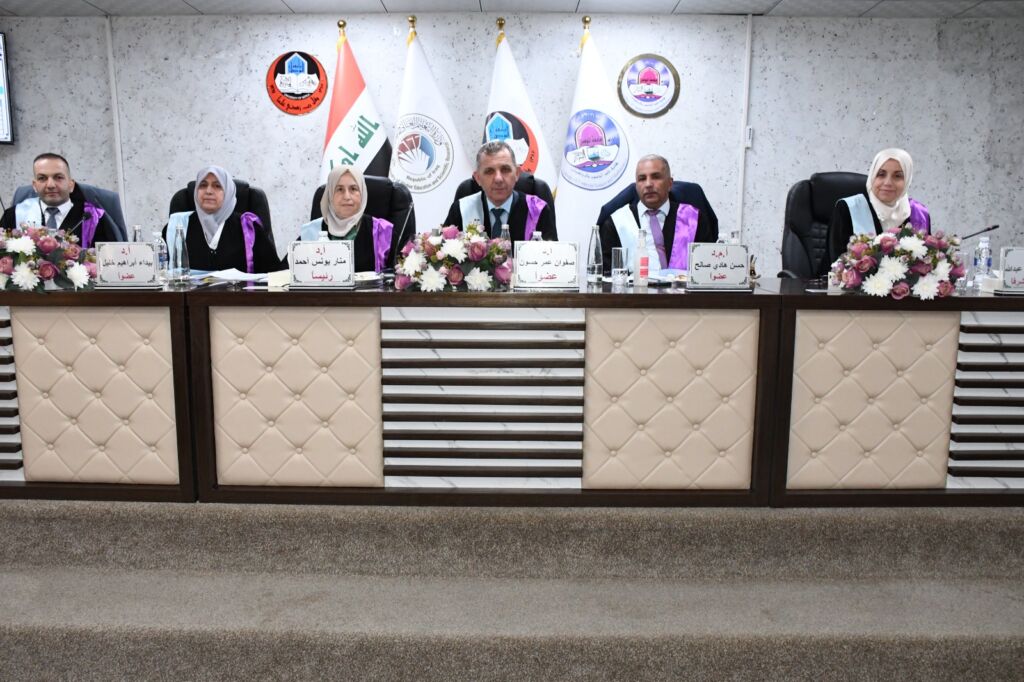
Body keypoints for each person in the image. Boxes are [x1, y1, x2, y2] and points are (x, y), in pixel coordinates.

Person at [598, 154, 718, 273]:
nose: (648, 184)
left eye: (656, 177)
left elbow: (707, 271)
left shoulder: (693, 219)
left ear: (670, 184)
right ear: (636, 186)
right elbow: (606, 277)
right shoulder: (615, 224)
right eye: (642, 179)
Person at [164, 165, 281, 274]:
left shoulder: (249, 228)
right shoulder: (175, 227)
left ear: (228, 192)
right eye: (203, 185)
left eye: (217, 186)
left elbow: (273, 274)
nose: (208, 191)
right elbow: (160, 274)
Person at [827, 148, 931, 264]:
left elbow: (927, 261)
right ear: (872, 175)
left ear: (907, 180)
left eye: (897, 176)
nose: (887, 183)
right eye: (881, 174)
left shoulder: (919, 213)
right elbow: (836, 263)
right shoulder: (848, 209)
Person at [443, 141, 556, 241]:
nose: (498, 179)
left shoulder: (537, 210)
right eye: (489, 171)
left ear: (517, 173)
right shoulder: (461, 210)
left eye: (505, 169)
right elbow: (443, 254)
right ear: (478, 178)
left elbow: (552, 255)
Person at [1, 153, 120, 247]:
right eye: (42, 178)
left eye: (58, 177)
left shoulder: (92, 218)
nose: (50, 185)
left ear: (71, 184)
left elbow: (110, 263)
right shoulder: (13, 216)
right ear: (34, 185)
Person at [296, 165, 394, 272]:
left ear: (362, 193)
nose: (347, 196)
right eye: (339, 189)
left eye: (353, 189)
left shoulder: (382, 232)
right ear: (330, 195)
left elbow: (399, 275)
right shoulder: (310, 232)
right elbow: (287, 272)